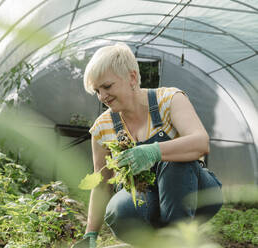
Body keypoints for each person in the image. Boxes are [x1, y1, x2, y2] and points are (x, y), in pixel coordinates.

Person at [72, 43, 223, 247]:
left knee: (174, 161)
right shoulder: (102, 128)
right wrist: (91, 234)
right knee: (120, 209)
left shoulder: (169, 100)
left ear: (132, 78)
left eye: (107, 86)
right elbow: (101, 185)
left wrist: (154, 151)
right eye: (97, 91)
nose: (102, 97)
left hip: (195, 190)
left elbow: (201, 143)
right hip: (147, 198)